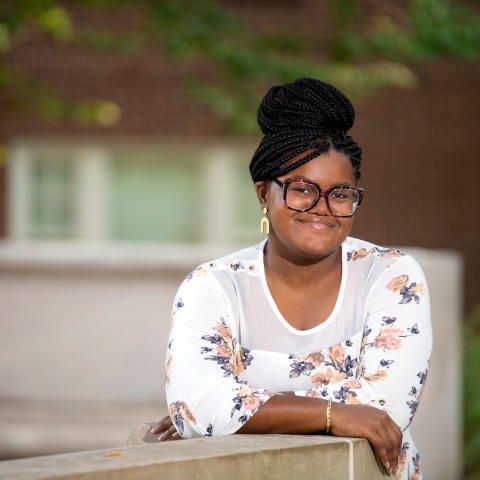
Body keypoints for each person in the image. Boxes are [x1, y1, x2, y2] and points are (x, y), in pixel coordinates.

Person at [152, 78, 432, 480]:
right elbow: (199, 407)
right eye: (301, 190)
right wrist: (337, 413)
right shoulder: (213, 286)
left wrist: (241, 409)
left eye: (340, 193)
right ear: (263, 193)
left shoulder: (389, 275)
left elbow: (386, 410)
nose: (322, 209)